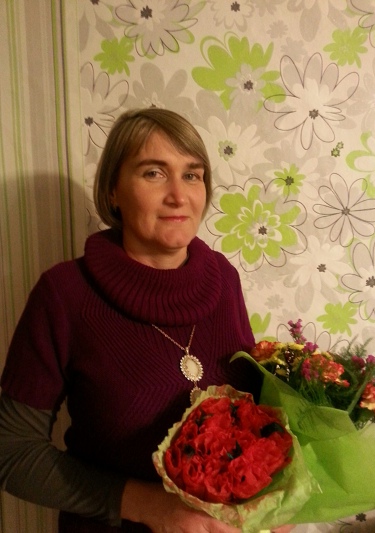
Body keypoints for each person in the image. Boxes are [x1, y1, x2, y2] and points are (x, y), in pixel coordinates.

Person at [0, 108, 291, 533]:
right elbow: (12, 451)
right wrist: (152, 507)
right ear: (113, 192)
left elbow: (251, 421)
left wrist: (275, 502)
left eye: (192, 175)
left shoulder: (224, 278)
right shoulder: (64, 294)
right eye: (154, 173)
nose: (179, 195)